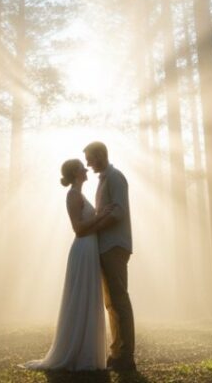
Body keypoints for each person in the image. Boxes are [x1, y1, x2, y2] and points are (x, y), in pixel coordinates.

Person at [24, 159, 114, 371]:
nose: (86, 169)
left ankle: (87, 352)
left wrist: (102, 218)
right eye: (83, 167)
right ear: (75, 172)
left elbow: (88, 226)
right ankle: (74, 352)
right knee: (80, 297)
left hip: (89, 250)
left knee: (88, 298)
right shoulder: (73, 194)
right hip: (82, 250)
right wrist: (101, 215)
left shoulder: (80, 194)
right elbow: (79, 229)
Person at [84, 140, 135, 372]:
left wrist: (95, 226)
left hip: (115, 245)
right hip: (105, 247)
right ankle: (116, 353)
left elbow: (118, 211)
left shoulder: (115, 177)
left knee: (119, 299)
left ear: (101, 155)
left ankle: (126, 356)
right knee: (111, 302)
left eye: (90, 158)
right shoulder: (103, 180)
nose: (87, 164)